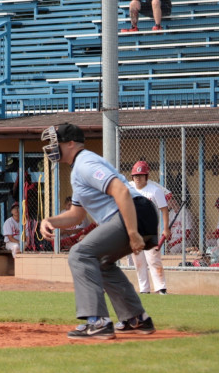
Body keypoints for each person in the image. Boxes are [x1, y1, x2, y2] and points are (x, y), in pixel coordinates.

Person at [37, 124, 159, 340]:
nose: (52, 147)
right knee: (100, 262)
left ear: (71, 143)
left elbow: (120, 190)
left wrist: (132, 233)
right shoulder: (78, 169)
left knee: (80, 254)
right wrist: (49, 221)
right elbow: (76, 215)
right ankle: (136, 318)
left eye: (56, 142)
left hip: (133, 212)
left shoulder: (85, 162)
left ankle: (98, 321)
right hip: (135, 213)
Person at [127, 160, 170, 295]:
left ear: (146, 176)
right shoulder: (128, 189)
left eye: (141, 175)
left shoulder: (155, 190)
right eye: (135, 175)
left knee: (153, 260)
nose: (138, 178)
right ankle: (144, 289)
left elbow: (164, 209)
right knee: (138, 262)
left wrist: (166, 228)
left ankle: (161, 288)